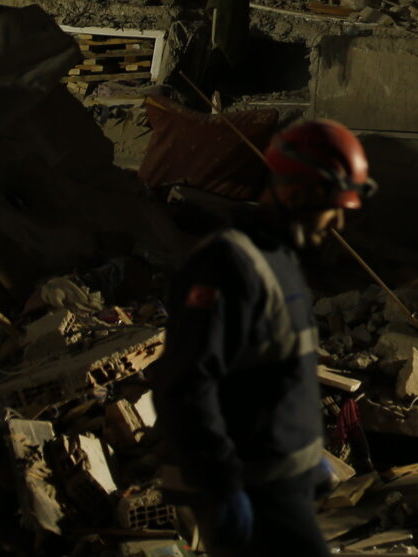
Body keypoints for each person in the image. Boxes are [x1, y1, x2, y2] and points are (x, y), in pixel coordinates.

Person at [152, 119, 376, 557]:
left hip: (280, 484)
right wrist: (222, 487)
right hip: (248, 489)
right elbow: (186, 385)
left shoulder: (282, 263)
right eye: (333, 207)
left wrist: (308, 461)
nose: (337, 224)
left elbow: (279, 373)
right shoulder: (227, 265)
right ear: (298, 194)